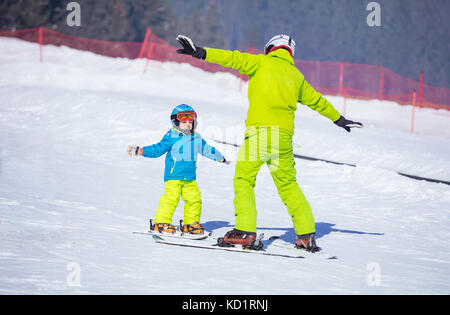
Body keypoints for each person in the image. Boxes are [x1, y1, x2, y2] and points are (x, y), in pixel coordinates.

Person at [175, 34, 363, 251]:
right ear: (290, 52)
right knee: (288, 185)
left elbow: (230, 58)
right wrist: (339, 119)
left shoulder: (260, 62)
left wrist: (201, 51)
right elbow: (317, 101)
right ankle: (306, 235)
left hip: (259, 135)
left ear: (270, 48)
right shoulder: (296, 76)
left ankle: (245, 230)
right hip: (283, 139)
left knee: (244, 179)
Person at [128, 104, 230, 235]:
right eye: (184, 122)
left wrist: (221, 158)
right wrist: (142, 151)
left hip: (189, 177)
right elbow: (158, 148)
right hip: (174, 176)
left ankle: (191, 224)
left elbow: (207, 149)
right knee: (171, 198)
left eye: (190, 121)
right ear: (175, 122)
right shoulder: (171, 136)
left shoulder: (196, 138)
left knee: (194, 199)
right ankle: (161, 222)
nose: (188, 124)